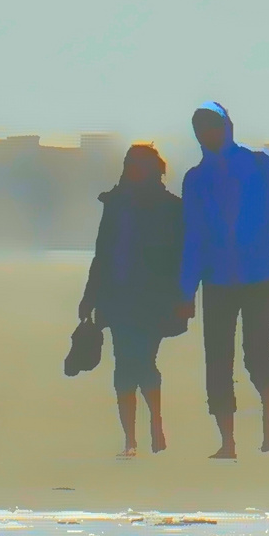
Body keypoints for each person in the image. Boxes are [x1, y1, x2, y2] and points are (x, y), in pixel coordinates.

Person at [176, 102, 269, 458]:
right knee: (218, 359)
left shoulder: (258, 164)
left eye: (212, 126)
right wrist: (185, 290)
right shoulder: (195, 179)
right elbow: (193, 237)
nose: (207, 133)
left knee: (256, 353)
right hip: (218, 279)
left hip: (260, 276)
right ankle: (227, 442)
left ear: (227, 126)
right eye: (201, 129)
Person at [79, 144, 186, 458]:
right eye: (132, 165)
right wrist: (89, 297)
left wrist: (184, 296)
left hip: (152, 298)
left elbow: (181, 257)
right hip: (120, 296)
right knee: (126, 365)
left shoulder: (170, 208)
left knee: (140, 362)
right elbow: (102, 254)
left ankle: (152, 423)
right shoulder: (116, 205)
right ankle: (132, 436)